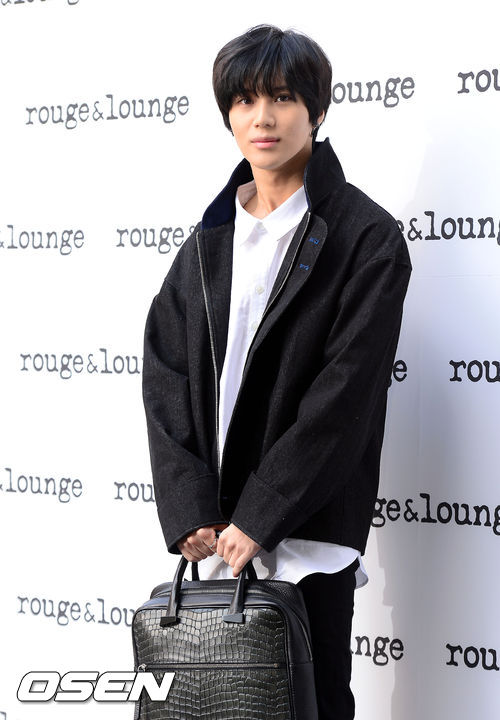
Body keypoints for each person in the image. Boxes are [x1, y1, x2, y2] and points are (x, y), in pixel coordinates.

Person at [142, 24, 411, 720]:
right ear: (228, 115)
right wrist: (189, 508)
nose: (263, 117)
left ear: (316, 110)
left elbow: (343, 397)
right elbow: (165, 374)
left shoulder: (366, 237)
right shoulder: (209, 239)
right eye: (245, 100)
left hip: (307, 537)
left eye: (284, 97)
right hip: (215, 541)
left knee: (313, 705)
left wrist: (262, 515)